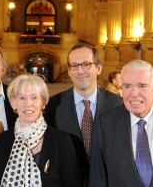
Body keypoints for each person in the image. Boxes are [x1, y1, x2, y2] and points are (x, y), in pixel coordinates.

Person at [90, 59, 153, 187]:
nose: (133, 94)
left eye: (142, 86)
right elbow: (97, 178)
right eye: (127, 86)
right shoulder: (104, 123)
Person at [44, 43, 123, 182]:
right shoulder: (52, 106)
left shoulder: (119, 105)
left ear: (98, 68)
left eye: (86, 64)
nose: (80, 71)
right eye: (74, 65)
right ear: (69, 71)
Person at [0, 74, 84, 186]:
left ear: (43, 102)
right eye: (22, 98)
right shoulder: (4, 139)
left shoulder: (61, 141)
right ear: (13, 103)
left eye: (34, 97)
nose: (28, 104)